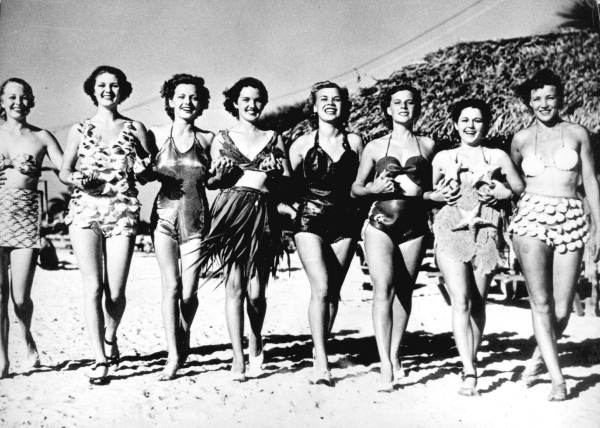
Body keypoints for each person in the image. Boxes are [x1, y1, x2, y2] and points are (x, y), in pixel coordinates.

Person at [509, 69, 600, 401]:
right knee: (541, 302)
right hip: (531, 218)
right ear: (528, 103)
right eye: (536, 98)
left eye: (549, 97)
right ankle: (558, 379)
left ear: (560, 98)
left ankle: (537, 358)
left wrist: (599, 228)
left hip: (571, 216)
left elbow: (590, 181)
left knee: (562, 309)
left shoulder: (578, 133)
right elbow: (513, 182)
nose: (543, 104)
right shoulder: (519, 139)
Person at [59, 66, 150, 383]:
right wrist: (76, 178)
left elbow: (147, 168)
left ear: (122, 90)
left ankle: (111, 335)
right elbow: (64, 170)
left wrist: (144, 166)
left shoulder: (135, 127)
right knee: (93, 287)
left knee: (115, 292)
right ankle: (100, 359)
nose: (108, 90)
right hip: (85, 211)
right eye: (101, 85)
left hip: (122, 210)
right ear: (92, 90)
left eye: (114, 85)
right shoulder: (79, 129)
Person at [199, 77, 290, 382]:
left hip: (262, 212)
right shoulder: (221, 137)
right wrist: (220, 176)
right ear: (235, 103)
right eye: (245, 100)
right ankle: (238, 356)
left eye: (257, 99)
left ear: (263, 103)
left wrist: (277, 177)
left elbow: (286, 182)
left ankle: (256, 337)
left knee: (257, 292)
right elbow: (211, 182)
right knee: (234, 288)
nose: (252, 105)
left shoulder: (275, 137)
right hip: (230, 210)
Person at [431, 98, 523, 396]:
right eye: (465, 120)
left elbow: (519, 188)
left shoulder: (497, 157)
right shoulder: (443, 158)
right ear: (455, 124)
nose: (471, 126)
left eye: (477, 120)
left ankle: (472, 356)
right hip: (450, 227)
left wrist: (505, 191)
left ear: (486, 124)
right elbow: (428, 195)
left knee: (478, 302)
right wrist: (438, 194)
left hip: (486, 228)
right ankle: (469, 369)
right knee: (461, 300)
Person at [147, 73, 232, 380]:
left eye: (194, 97)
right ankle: (173, 355)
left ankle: (184, 334)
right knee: (170, 287)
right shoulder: (155, 135)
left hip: (197, 221)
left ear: (201, 104)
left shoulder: (208, 139)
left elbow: (211, 182)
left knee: (188, 292)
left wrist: (220, 175)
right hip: (163, 219)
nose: (187, 102)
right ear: (170, 101)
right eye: (181, 96)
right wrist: (142, 170)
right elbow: (144, 174)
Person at [351, 85, 433, 391]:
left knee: (404, 291)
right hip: (381, 222)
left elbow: (434, 188)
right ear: (387, 109)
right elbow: (356, 188)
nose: (404, 107)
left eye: (410, 103)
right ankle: (384, 362)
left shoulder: (428, 145)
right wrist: (373, 190)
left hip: (415, 225)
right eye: (397, 103)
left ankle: (396, 355)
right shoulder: (374, 147)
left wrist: (426, 192)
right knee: (382, 289)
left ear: (417, 108)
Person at [289, 81, 363, 386]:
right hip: (309, 221)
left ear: (344, 106)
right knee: (321, 288)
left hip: (345, 222)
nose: (330, 104)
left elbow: (363, 182)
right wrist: (290, 209)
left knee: (333, 292)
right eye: (324, 99)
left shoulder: (356, 142)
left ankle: (320, 344)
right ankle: (321, 360)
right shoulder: (301, 144)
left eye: (336, 99)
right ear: (315, 106)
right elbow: (283, 182)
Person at [0, 78, 63, 378]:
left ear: (32, 101)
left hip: (25, 220)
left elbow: (66, 170)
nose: (18, 102)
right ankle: (2, 360)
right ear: (1, 101)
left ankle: (25, 338)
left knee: (20, 299)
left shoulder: (42, 137)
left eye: (24, 97)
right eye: (11, 97)